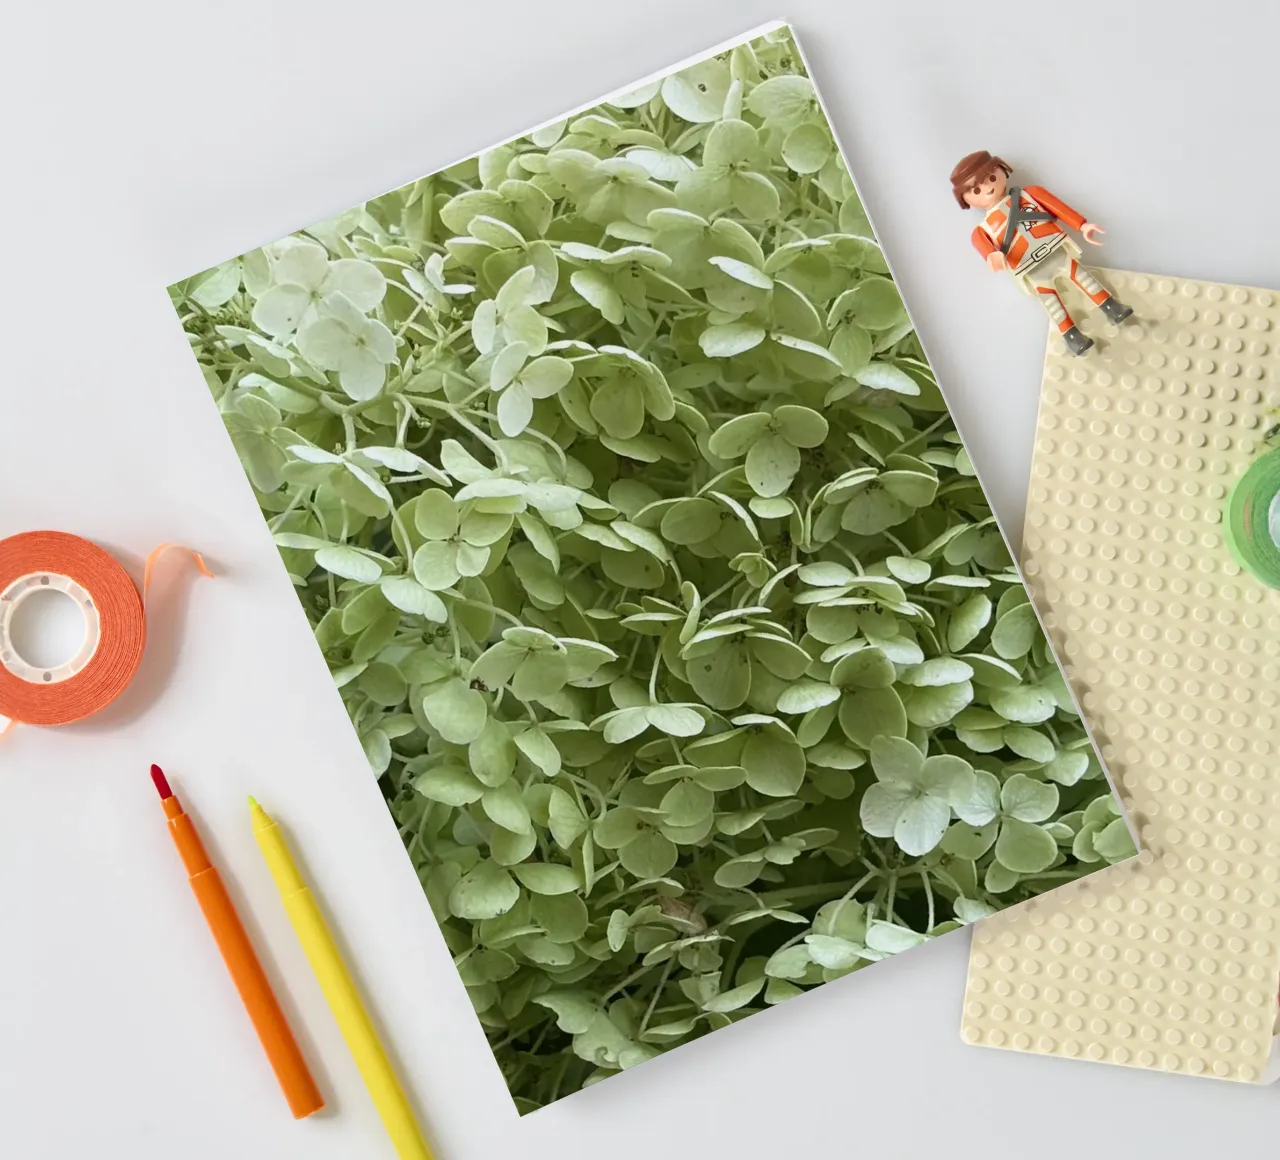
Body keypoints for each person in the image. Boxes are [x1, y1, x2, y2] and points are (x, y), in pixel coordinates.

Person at [950, 150, 1132, 355]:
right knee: (1051, 302)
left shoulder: (1031, 194)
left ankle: (1111, 307)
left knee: (1083, 277)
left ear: (1002, 169)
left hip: (1055, 251)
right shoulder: (982, 231)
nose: (988, 187)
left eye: (991, 177)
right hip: (1030, 267)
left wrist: (1082, 226)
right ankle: (1072, 337)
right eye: (975, 190)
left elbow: (1059, 208)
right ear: (965, 199)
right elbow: (988, 254)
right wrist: (994, 258)